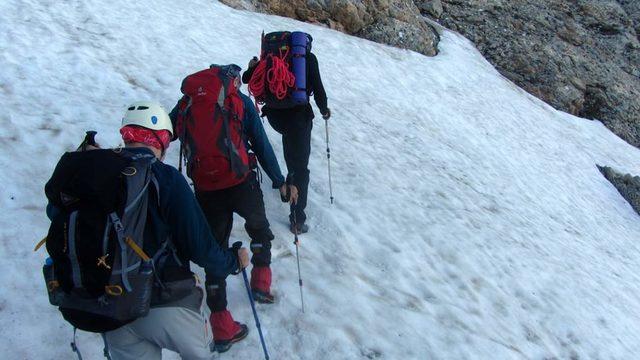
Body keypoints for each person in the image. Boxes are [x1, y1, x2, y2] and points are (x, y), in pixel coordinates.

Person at [97, 101, 250, 359]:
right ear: (161, 139)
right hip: (166, 300)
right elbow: (201, 248)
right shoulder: (166, 178)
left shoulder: (98, 174)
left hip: (111, 307)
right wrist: (233, 261)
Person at [169, 67, 296, 352]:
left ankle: (222, 327)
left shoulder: (187, 103)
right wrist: (279, 180)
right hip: (241, 182)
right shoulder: (237, 100)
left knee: (215, 251)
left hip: (206, 187)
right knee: (259, 230)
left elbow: (165, 132)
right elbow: (261, 144)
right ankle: (261, 285)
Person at [243, 40, 330, 234]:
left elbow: (247, 78)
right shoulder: (308, 58)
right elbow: (319, 89)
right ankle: (297, 219)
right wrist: (324, 110)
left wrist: (252, 66)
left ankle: (288, 186)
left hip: (276, 117)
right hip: (298, 117)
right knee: (300, 168)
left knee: (291, 150)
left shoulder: (269, 58)